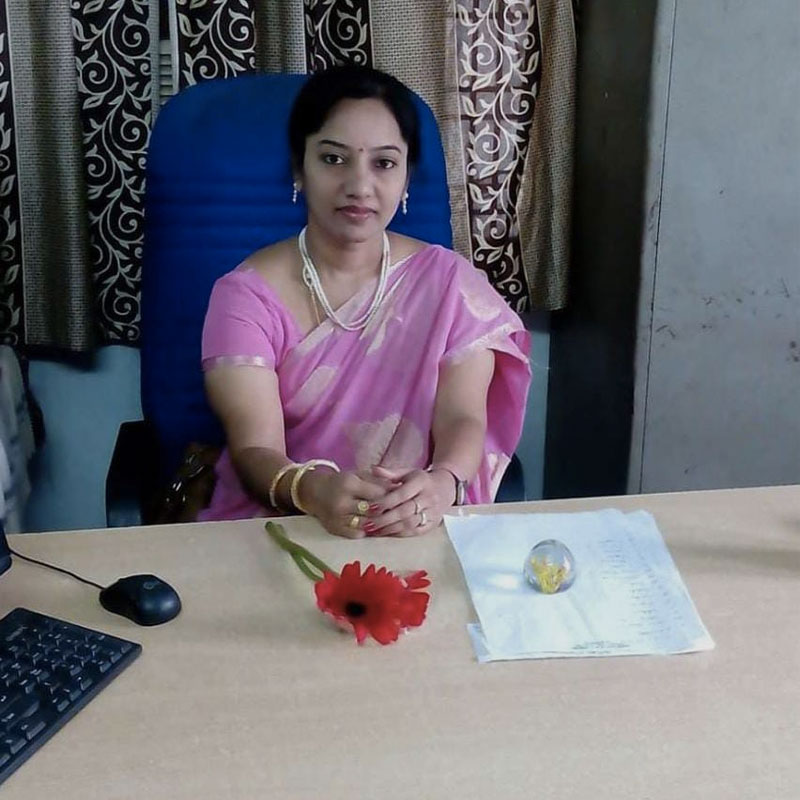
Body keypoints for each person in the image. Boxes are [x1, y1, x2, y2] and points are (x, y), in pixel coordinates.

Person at [199, 64, 531, 538]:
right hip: (282, 526)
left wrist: (444, 482)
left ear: (407, 179)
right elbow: (255, 450)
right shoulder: (245, 296)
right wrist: (311, 491)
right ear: (299, 168)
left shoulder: (450, 285)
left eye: (384, 163)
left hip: (414, 523)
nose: (359, 185)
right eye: (333, 159)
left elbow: (463, 417)